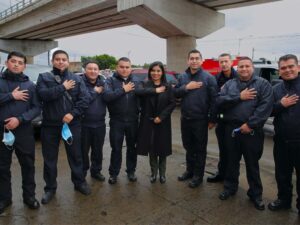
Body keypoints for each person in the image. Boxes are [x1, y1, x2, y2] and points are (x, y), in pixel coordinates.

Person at [217, 57, 273, 210]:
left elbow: (265, 107)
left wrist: (250, 124)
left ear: (252, 68)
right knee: (231, 161)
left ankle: (255, 194)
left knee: (252, 164)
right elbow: (220, 101)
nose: (244, 69)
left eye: (247, 66)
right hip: (232, 130)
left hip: (252, 131)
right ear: (237, 68)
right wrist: (238, 97)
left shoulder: (263, 84)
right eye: (241, 66)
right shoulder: (230, 84)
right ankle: (230, 187)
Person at [37, 50, 91, 205]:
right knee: (49, 159)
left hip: (72, 124)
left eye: (64, 59)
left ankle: (79, 182)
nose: (61, 62)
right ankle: (50, 189)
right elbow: (42, 95)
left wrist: (72, 114)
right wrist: (62, 87)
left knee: (76, 156)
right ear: (52, 61)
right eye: (58, 59)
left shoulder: (76, 78)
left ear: (68, 62)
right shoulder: (44, 77)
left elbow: (85, 99)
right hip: (50, 126)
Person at [0, 51, 41, 214]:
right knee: (2, 167)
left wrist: (20, 119)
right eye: (13, 61)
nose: (16, 64)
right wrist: (11, 96)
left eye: (20, 62)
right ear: (6, 62)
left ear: (24, 66)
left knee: (28, 165)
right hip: (2, 132)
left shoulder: (30, 85)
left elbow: (37, 107)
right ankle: (4, 199)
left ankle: (29, 197)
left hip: (23, 131)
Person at [175, 49, 218, 188]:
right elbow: (175, 93)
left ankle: (198, 176)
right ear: (188, 60)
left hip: (200, 119)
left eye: (197, 58)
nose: (194, 61)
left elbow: (214, 100)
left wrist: (212, 119)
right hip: (185, 118)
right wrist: (186, 87)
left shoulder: (208, 78)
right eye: (191, 58)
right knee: (188, 147)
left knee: (199, 149)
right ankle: (189, 170)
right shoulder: (182, 77)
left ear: (201, 60)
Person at [268, 54, 300, 214]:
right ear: (279, 71)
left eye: (290, 66)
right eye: (283, 68)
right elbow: (268, 111)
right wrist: (281, 104)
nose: (287, 70)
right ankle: (283, 200)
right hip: (281, 140)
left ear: (298, 67)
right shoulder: (275, 89)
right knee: (282, 174)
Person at [136, 61, 176, 184]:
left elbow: (172, 103)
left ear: (162, 72)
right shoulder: (144, 84)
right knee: (152, 148)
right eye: (153, 70)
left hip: (162, 122)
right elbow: (137, 92)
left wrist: (162, 117)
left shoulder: (168, 86)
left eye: (158, 71)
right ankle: (153, 173)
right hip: (148, 122)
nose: (155, 73)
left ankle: (162, 174)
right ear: (150, 72)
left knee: (162, 148)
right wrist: (155, 90)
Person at [103, 57, 139, 184]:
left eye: (127, 67)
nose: (124, 69)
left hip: (133, 121)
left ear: (131, 68)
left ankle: (131, 171)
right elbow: (107, 96)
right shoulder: (110, 81)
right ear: (117, 67)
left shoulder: (136, 81)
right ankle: (113, 173)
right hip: (117, 121)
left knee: (132, 148)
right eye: (122, 67)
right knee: (116, 148)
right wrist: (124, 90)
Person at [207, 53, 238, 183]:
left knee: (233, 152)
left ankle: (231, 179)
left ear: (231, 62)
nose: (224, 64)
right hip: (221, 119)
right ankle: (221, 174)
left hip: (235, 120)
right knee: (223, 150)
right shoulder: (216, 78)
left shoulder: (239, 77)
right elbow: (214, 101)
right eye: (221, 62)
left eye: (226, 61)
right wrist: (213, 119)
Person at [81, 61, 106, 181]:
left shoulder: (104, 84)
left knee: (97, 151)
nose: (93, 71)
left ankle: (96, 171)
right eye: (90, 69)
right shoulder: (80, 84)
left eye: (95, 69)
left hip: (100, 124)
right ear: (85, 70)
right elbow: (83, 100)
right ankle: (82, 173)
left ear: (99, 71)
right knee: (83, 151)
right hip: (84, 124)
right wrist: (95, 91)